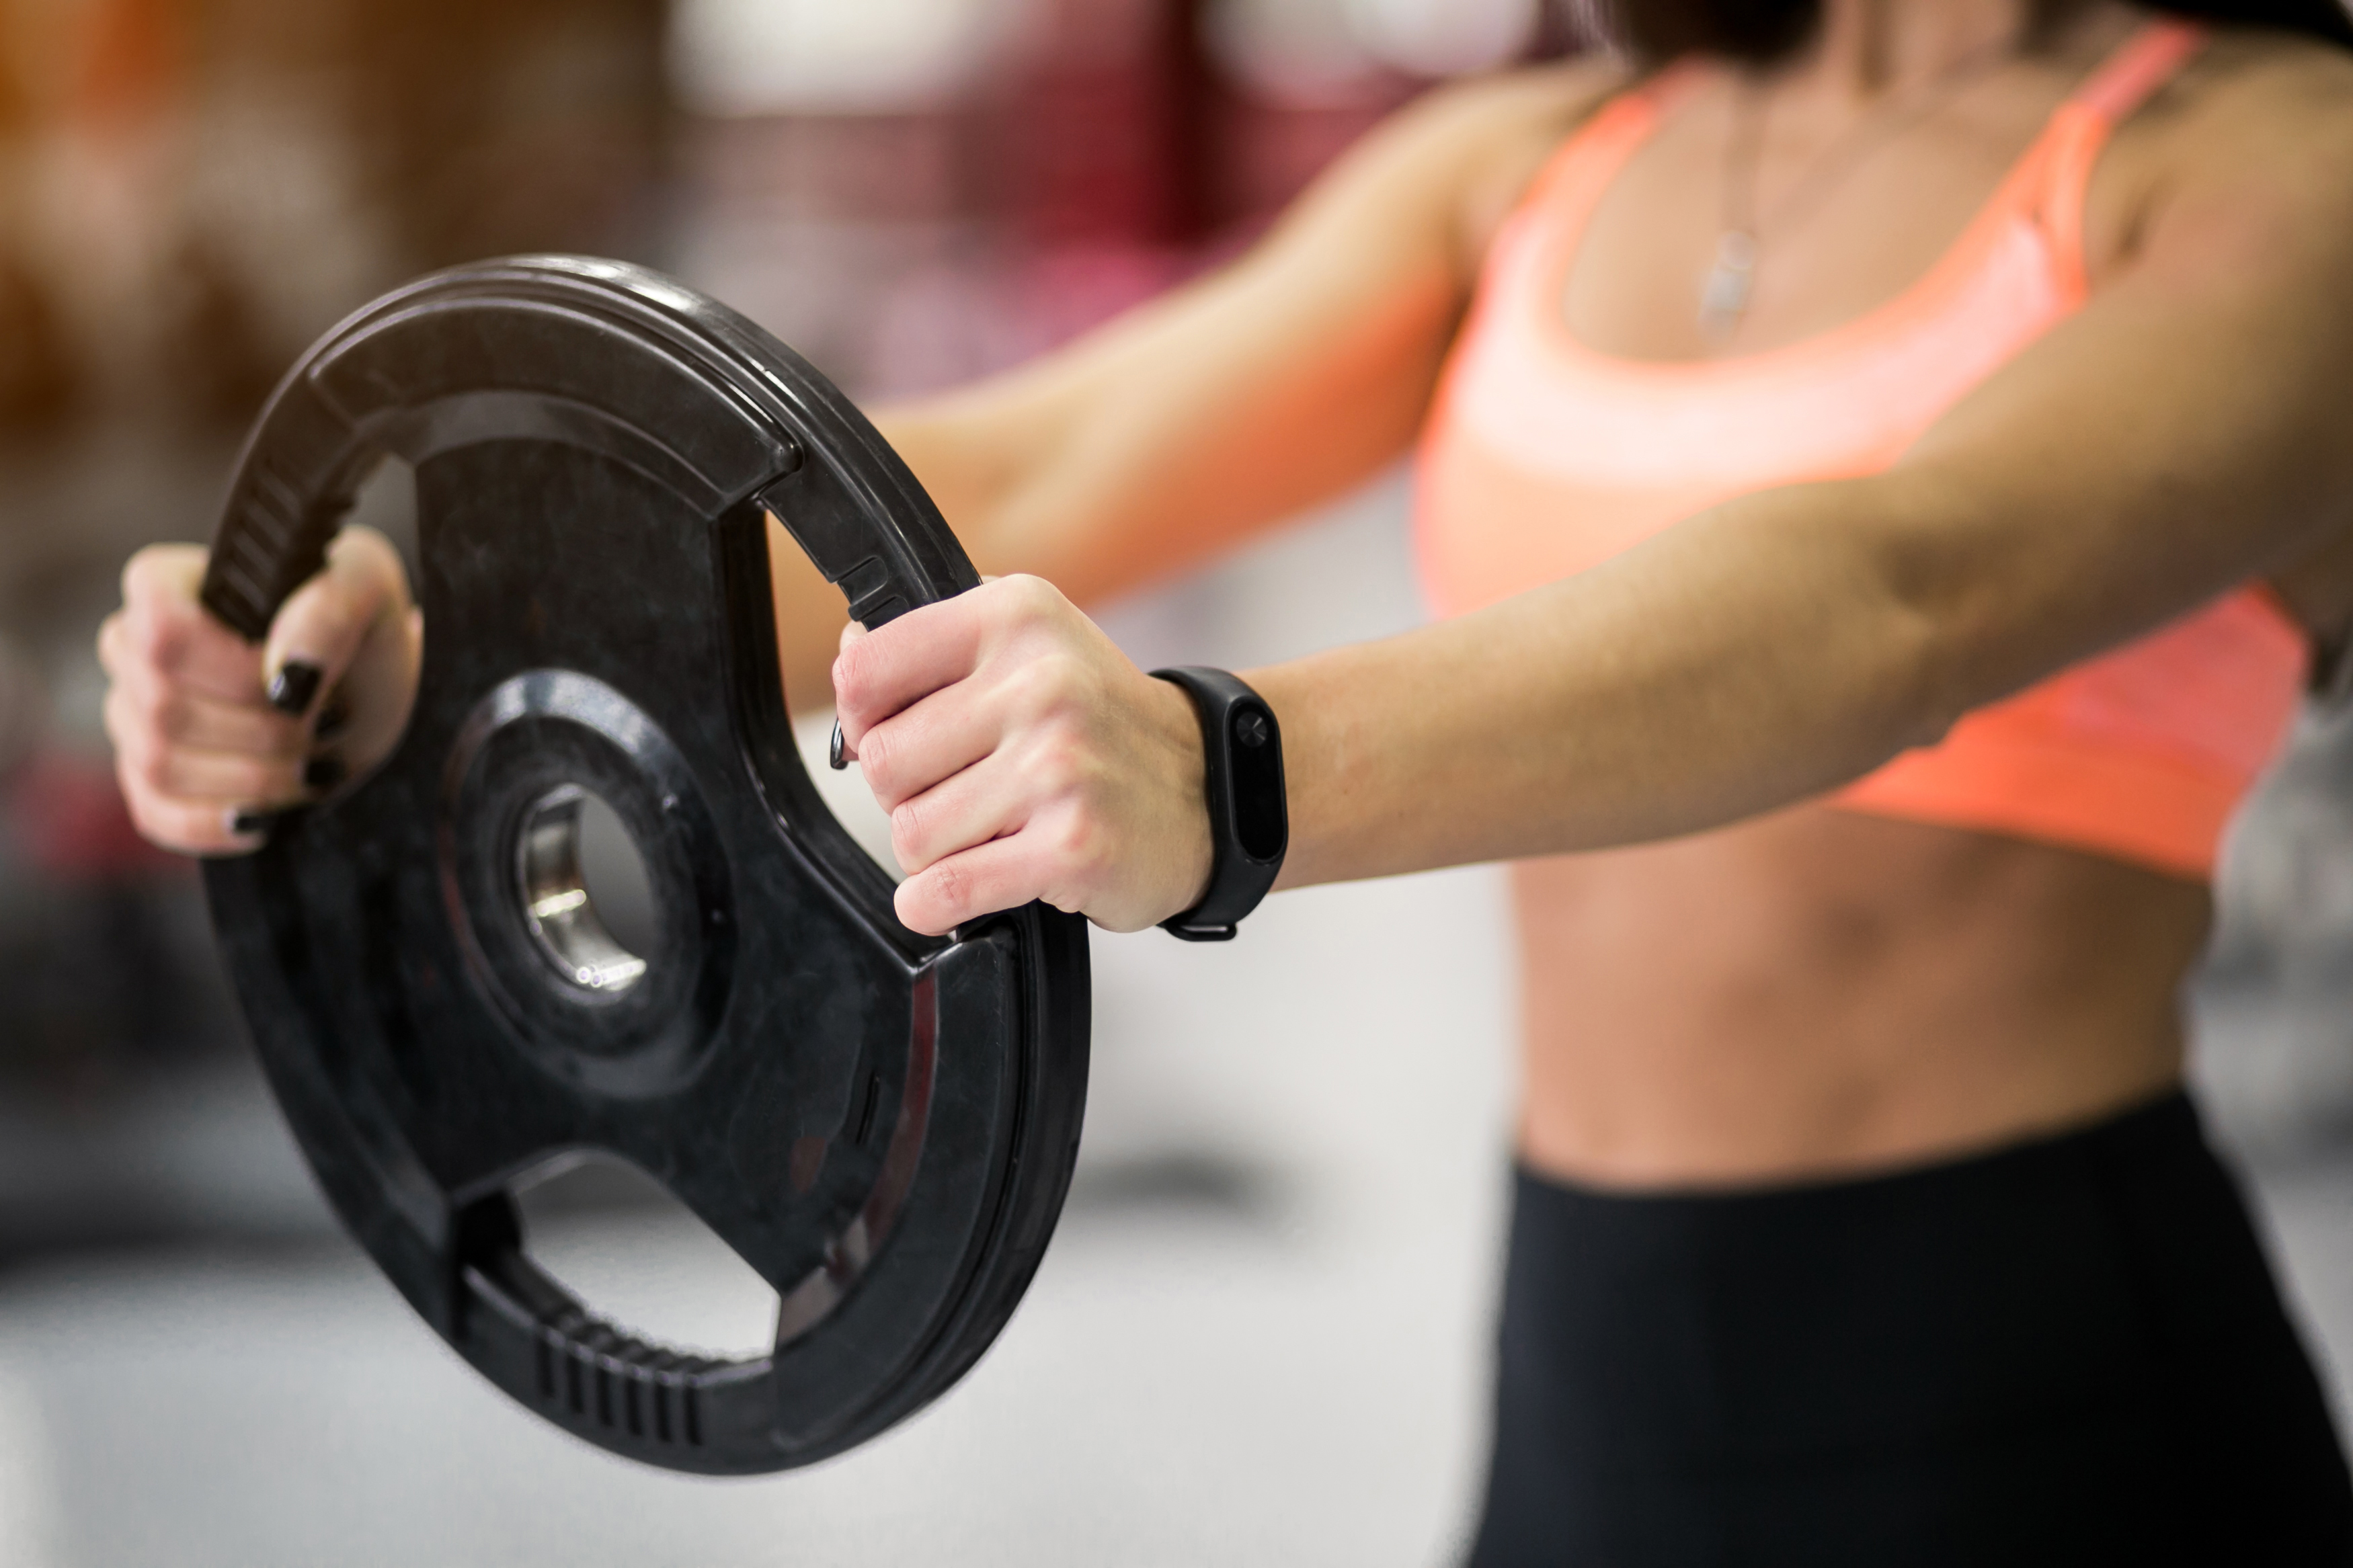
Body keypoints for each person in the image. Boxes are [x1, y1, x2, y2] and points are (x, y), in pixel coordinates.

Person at [97, 0, 2353, 1557]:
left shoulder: (2265, 159)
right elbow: (1025, 463)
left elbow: (1895, 591)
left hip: (2043, 1390)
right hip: (1579, 1375)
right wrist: (410, 635)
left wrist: (1221, 773)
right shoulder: (1543, 162)